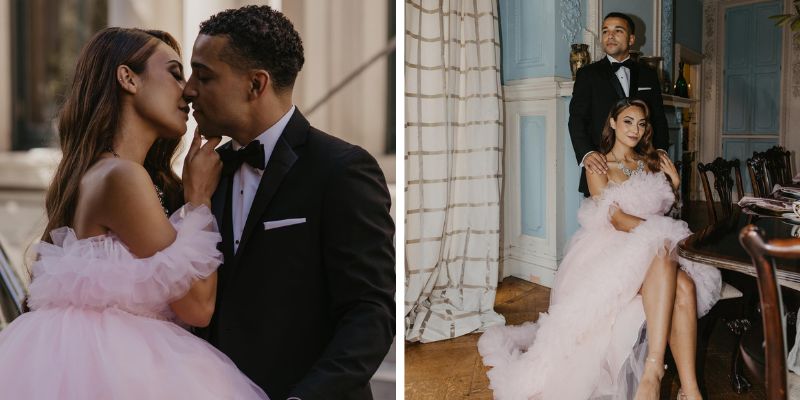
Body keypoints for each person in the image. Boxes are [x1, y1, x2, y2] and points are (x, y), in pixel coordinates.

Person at [0, 28, 269, 399]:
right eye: (175, 73)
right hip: (117, 369)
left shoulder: (110, 171)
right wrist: (198, 201)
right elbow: (197, 306)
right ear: (128, 78)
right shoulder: (122, 176)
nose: (188, 91)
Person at [184, 6, 396, 400]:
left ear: (255, 85)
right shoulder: (205, 175)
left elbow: (370, 314)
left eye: (205, 75)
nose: (189, 89)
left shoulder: (341, 170)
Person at [478, 99, 721, 400]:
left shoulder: (652, 162)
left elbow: (669, 210)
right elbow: (616, 219)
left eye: (642, 123)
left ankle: (685, 387)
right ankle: (662, 375)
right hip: (616, 249)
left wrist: (674, 183)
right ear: (613, 123)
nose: (635, 129)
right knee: (667, 257)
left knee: (682, 285)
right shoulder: (599, 165)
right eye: (628, 121)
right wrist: (659, 230)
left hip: (659, 247)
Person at [569, 12, 670, 198]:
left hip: (642, 168)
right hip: (602, 168)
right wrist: (587, 153)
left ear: (631, 39)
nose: (610, 35)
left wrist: (660, 152)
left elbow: (658, 118)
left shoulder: (648, 75)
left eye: (618, 30)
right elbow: (576, 119)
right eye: (605, 30)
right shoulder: (587, 74)